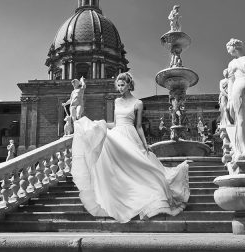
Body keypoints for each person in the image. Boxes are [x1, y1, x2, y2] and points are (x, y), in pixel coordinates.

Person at [71, 72, 189, 223]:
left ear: (129, 85)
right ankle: (121, 198)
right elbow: (115, 123)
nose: (120, 88)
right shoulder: (116, 101)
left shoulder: (138, 103)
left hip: (130, 135)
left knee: (140, 166)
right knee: (117, 165)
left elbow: (138, 126)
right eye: (118, 85)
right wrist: (99, 124)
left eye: (122, 85)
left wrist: (145, 145)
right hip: (117, 133)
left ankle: (149, 196)